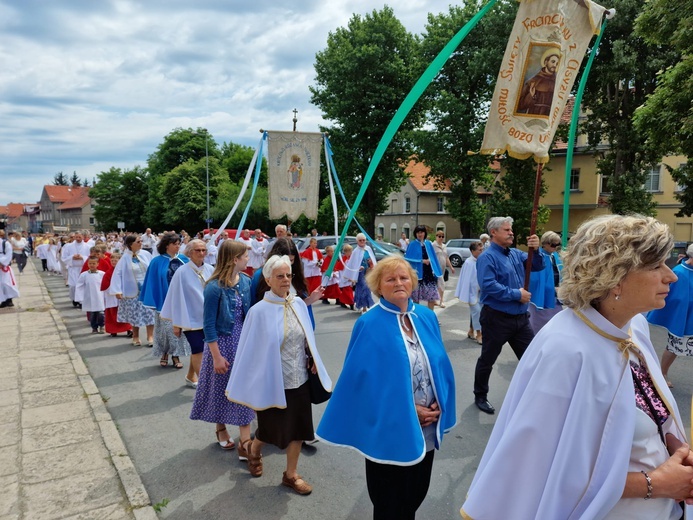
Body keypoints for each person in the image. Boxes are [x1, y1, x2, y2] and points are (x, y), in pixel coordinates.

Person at [461, 214, 693, 519]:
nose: (671, 276)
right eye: (655, 266)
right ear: (615, 277)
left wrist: (678, 450)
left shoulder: (632, 326)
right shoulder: (567, 351)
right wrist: (655, 484)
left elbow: (649, 409)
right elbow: (544, 470)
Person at [317, 256, 456, 519]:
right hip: (388, 429)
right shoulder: (369, 324)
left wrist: (440, 398)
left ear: (413, 282)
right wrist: (408, 409)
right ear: (378, 287)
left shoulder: (426, 317)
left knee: (415, 496)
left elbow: (438, 365)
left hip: (425, 428)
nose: (399, 283)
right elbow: (360, 386)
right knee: (389, 503)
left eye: (404, 277)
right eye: (390, 279)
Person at [226, 255, 332, 495]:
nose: (286, 280)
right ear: (268, 279)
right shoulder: (259, 312)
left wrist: (312, 356)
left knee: (299, 429)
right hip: (272, 383)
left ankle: (291, 475)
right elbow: (250, 352)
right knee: (271, 431)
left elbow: (307, 336)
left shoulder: (297, 304)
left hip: (300, 380)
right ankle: (253, 448)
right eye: (280, 276)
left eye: (288, 275)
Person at [190, 240, 254, 454]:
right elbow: (208, 324)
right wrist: (216, 356)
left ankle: (245, 439)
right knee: (221, 389)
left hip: (242, 342)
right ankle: (221, 428)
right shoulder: (214, 287)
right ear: (235, 259)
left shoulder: (246, 281)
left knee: (243, 388)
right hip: (222, 343)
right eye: (245, 256)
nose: (248, 259)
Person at [473, 216, 541, 415]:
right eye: (506, 230)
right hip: (497, 318)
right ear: (493, 232)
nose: (511, 232)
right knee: (487, 359)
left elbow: (536, 265)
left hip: (520, 319)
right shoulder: (487, 257)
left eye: (511, 229)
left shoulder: (515, 254)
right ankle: (480, 395)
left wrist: (535, 249)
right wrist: (516, 294)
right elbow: (488, 286)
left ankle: (536, 396)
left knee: (532, 359)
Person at [161, 239, 214, 388]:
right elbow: (176, 298)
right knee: (198, 349)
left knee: (204, 349)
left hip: (209, 318)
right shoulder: (182, 272)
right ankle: (205, 387)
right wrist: (176, 324)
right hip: (191, 319)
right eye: (198, 250)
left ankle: (191, 376)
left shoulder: (211, 269)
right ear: (190, 252)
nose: (201, 253)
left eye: (204, 250)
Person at [139, 232, 190, 368]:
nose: (178, 246)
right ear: (167, 245)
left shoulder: (184, 260)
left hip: (180, 300)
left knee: (178, 330)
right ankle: (164, 353)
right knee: (164, 330)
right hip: (164, 300)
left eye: (179, 243)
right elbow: (152, 282)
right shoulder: (156, 262)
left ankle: (176, 355)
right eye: (175, 244)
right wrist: (152, 299)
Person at [648, 243, 693, 388]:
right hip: (683, 317)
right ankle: (662, 373)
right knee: (674, 347)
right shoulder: (679, 272)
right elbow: (670, 295)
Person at [108, 235, 155, 347]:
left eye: (140, 241)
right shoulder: (124, 258)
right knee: (135, 314)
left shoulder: (146, 254)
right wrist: (117, 290)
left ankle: (150, 336)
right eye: (138, 242)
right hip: (132, 290)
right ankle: (136, 336)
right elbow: (117, 274)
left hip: (146, 289)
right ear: (130, 244)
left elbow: (153, 269)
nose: (140, 243)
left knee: (149, 313)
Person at [528, 230, 564, 333]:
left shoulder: (555, 256)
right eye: (553, 244)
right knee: (540, 325)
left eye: (558, 244)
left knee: (557, 324)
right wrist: (551, 288)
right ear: (545, 243)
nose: (556, 247)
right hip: (542, 296)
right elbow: (535, 279)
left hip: (555, 296)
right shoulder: (539, 256)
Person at [405, 225, 442, 310]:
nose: (419, 234)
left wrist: (436, 270)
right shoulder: (412, 244)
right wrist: (422, 261)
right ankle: (416, 315)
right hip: (417, 274)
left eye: (421, 232)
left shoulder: (428, 243)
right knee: (415, 298)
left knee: (431, 297)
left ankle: (431, 315)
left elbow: (433, 257)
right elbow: (408, 259)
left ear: (424, 233)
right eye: (418, 232)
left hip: (428, 273)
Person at [517, 47, 561, 117]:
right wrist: (531, 96)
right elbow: (520, 106)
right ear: (546, 62)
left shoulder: (558, 83)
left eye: (557, 63)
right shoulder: (533, 81)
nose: (555, 65)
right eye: (553, 62)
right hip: (532, 115)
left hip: (549, 118)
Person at [455, 241, 483, 344]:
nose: (482, 251)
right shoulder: (468, 262)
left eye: (482, 249)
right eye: (479, 250)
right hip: (472, 292)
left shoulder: (483, 261)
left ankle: (471, 330)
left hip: (482, 292)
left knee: (478, 312)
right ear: (472, 251)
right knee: (477, 311)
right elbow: (466, 280)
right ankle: (479, 334)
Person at [100, 253, 132, 337]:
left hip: (123, 295)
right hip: (112, 296)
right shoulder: (108, 272)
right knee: (113, 313)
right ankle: (113, 330)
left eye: (115, 261)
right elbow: (105, 285)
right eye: (112, 260)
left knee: (125, 313)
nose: (113, 262)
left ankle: (128, 329)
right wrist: (113, 289)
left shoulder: (124, 271)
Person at [344, 233, 377, 314]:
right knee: (363, 287)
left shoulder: (368, 248)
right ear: (357, 241)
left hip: (368, 271)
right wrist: (358, 268)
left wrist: (371, 264)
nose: (362, 242)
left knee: (367, 288)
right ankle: (364, 306)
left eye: (363, 240)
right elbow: (353, 263)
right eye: (360, 240)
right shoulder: (356, 251)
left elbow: (372, 259)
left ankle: (365, 305)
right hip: (360, 273)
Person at [75, 256, 106, 334]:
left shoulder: (102, 274)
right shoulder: (84, 275)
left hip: (100, 296)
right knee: (93, 314)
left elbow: (106, 284)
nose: (92, 265)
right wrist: (80, 297)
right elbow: (79, 285)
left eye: (94, 263)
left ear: (97, 264)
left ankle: (102, 326)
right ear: (88, 264)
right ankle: (94, 327)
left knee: (101, 313)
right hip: (90, 296)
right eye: (90, 263)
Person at [61, 232, 92, 308]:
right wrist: (72, 257)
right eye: (76, 237)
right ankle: (74, 299)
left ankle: (81, 301)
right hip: (73, 268)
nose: (78, 239)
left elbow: (90, 257)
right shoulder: (68, 246)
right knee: (73, 286)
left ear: (83, 237)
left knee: (82, 285)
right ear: (74, 237)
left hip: (83, 268)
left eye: (80, 237)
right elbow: (64, 257)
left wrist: (83, 257)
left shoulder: (88, 246)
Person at [432, 231, 455, 307]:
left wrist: (451, 267)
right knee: (435, 284)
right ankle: (436, 300)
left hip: (442, 269)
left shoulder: (444, 246)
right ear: (436, 236)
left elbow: (446, 257)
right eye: (439, 236)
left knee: (441, 284)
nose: (441, 238)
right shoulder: (433, 245)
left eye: (442, 236)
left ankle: (441, 300)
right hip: (435, 268)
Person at [0, 230, 19, 308]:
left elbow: (9, 254)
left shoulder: (5, 244)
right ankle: (3, 300)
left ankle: (9, 299)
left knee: (6, 283)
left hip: (4, 266)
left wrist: (2, 263)